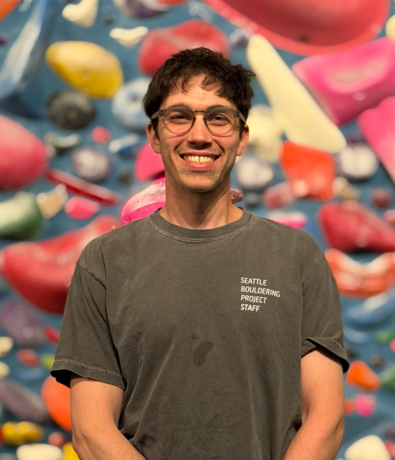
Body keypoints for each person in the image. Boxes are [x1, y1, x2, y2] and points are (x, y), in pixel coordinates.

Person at [51, 47, 349, 460]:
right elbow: (91, 430)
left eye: (218, 118)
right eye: (179, 116)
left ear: (242, 138)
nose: (199, 135)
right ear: (153, 135)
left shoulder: (297, 256)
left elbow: (326, 416)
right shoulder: (104, 261)